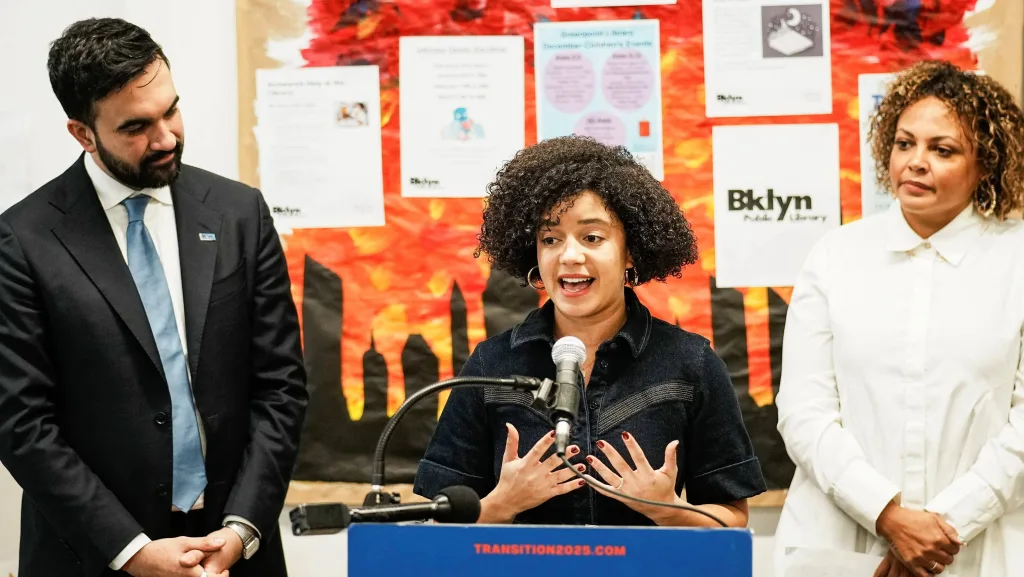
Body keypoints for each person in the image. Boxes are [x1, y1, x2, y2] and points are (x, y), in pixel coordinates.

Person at [0, 18, 308, 577]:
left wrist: (241, 529)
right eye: (137, 127)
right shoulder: (22, 241)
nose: (166, 138)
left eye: (171, 110)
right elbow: (21, 424)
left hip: (234, 545)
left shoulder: (239, 213)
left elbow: (281, 387)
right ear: (82, 133)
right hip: (93, 554)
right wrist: (130, 549)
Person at [413, 135, 766, 527]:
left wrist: (666, 509)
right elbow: (436, 524)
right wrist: (501, 503)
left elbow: (732, 517)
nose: (569, 255)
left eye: (592, 237)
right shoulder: (493, 362)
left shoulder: (690, 362)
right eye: (550, 239)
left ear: (630, 251)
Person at [775, 60, 1024, 577]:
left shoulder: (1015, 260)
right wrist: (887, 514)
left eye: (943, 150)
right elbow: (804, 410)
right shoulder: (835, 256)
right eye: (904, 143)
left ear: (986, 165)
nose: (915, 162)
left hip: (977, 548)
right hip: (841, 543)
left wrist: (943, 527)